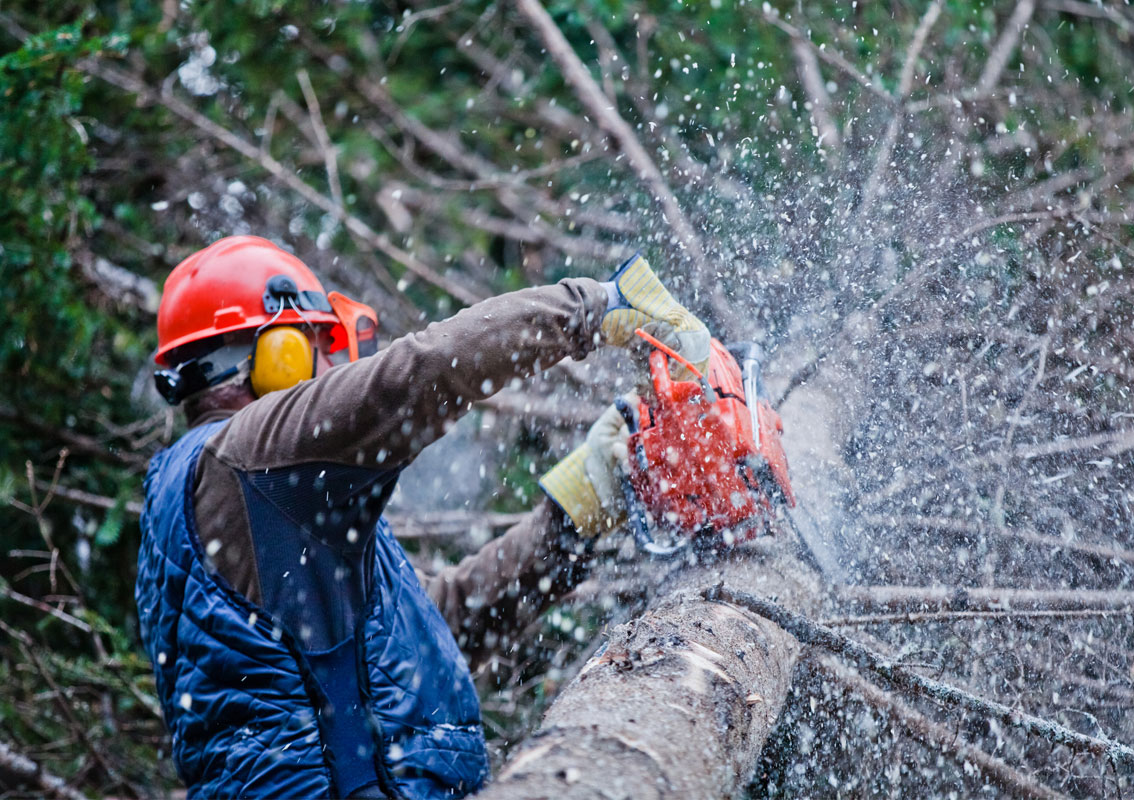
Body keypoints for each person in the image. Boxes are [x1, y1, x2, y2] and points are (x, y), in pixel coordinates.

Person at [136, 235, 708, 799]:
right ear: (275, 355)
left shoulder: (243, 497)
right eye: (315, 343)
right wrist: (596, 306)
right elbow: (419, 373)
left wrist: (576, 511)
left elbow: (433, 632)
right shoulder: (251, 457)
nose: (330, 365)